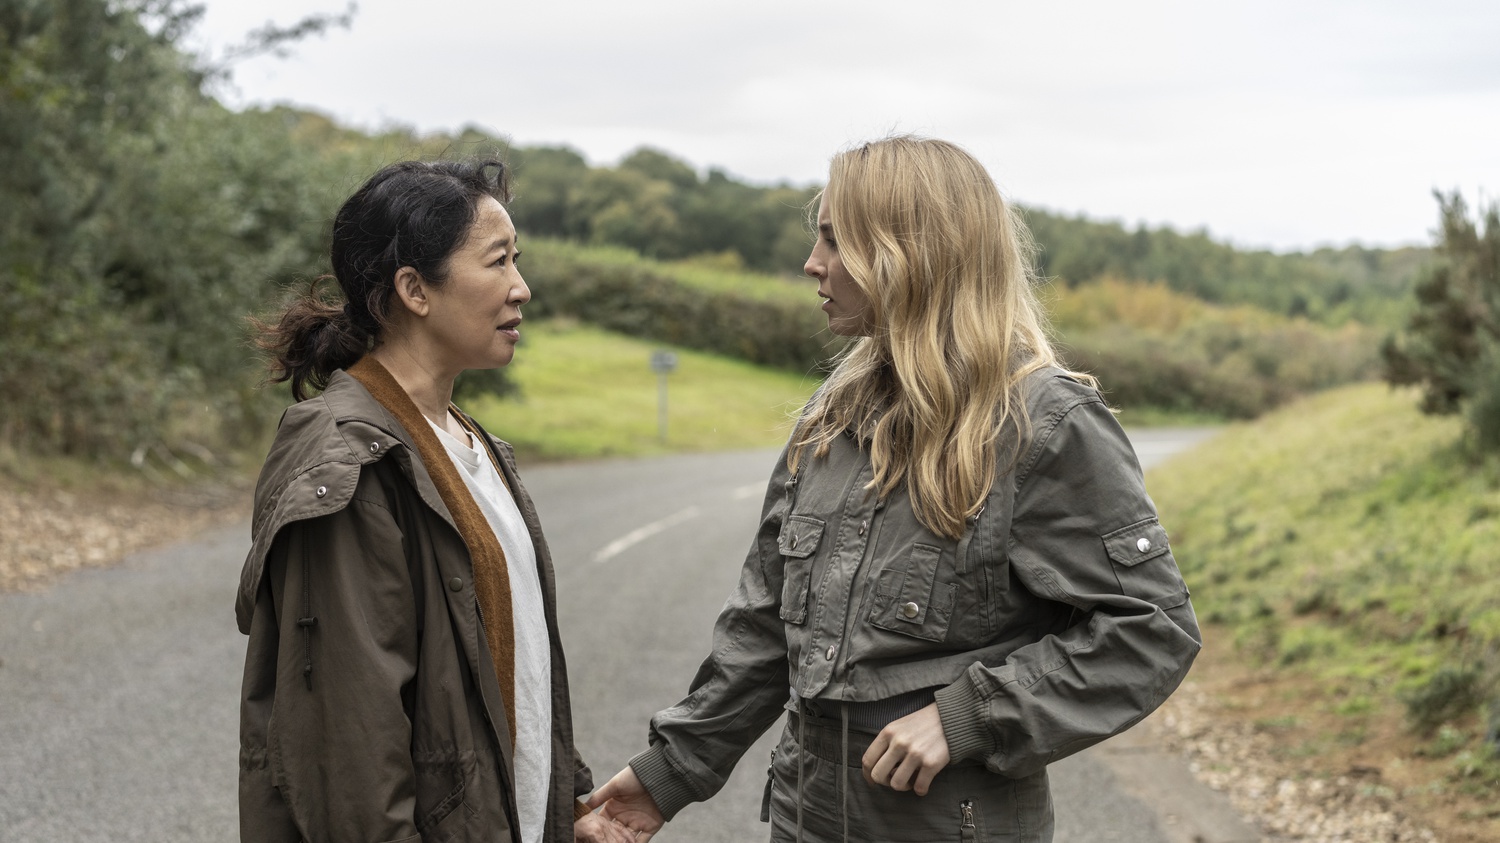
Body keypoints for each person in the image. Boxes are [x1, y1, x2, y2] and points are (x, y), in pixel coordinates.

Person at [587, 136, 1203, 842]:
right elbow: (766, 629)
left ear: (910, 253)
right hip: (803, 818)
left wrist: (967, 716)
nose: (812, 264)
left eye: (835, 240)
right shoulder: (829, 419)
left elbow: (1151, 629)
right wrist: (667, 776)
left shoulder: (1047, 424)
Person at [237, 159, 632, 843]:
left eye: (518, 261)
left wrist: (567, 806)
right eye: (498, 261)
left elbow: (512, 671)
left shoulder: (472, 445)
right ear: (415, 289)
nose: (522, 288)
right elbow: (349, 747)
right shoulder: (351, 458)